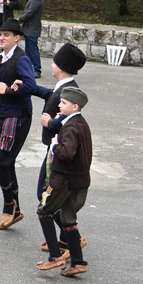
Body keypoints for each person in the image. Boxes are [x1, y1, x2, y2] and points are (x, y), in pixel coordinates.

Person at [30, 44, 86, 255]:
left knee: (45, 195)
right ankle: (66, 239)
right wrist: (29, 87)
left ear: (61, 67)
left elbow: (68, 121)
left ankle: (72, 238)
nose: (51, 65)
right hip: (53, 148)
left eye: (54, 61)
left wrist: (50, 124)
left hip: (57, 152)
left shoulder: (68, 91)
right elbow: (50, 95)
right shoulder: (63, 86)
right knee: (50, 196)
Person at [35, 87, 92, 277]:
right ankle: (78, 262)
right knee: (68, 220)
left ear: (75, 106)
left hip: (65, 180)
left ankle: (55, 255)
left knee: (44, 212)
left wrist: (54, 145)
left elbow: (67, 153)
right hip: (80, 180)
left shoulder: (70, 128)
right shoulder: (81, 123)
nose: (59, 105)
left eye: (64, 103)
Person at [0, 19, 35, 230]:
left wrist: (7, 90)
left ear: (17, 37)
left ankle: (9, 207)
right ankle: (14, 209)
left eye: (7, 34)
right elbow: (0, 80)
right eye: (0, 34)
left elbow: (30, 85)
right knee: (7, 162)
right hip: (4, 114)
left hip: (17, 116)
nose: (2, 37)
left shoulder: (20, 58)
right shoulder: (4, 56)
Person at [19, 0, 45, 78]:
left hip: (32, 28)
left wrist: (21, 18)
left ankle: (37, 69)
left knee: (33, 49)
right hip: (29, 28)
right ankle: (29, 68)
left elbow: (30, 12)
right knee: (29, 49)